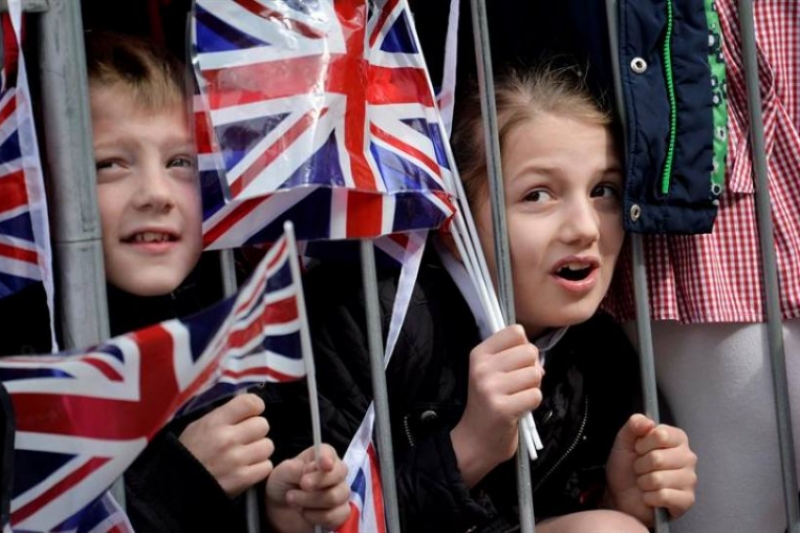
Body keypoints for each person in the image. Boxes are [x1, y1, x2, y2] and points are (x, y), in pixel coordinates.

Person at [293, 63, 697, 532]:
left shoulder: (604, 354)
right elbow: (309, 520)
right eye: (538, 195)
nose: (586, 227)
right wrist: (468, 448)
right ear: (456, 220)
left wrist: (621, 498)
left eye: (603, 190)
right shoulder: (373, 320)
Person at [85, 32, 350, 533]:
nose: (156, 193)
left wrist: (281, 504)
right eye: (111, 165)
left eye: (180, 162)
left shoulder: (248, 316)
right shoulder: (34, 350)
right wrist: (182, 481)